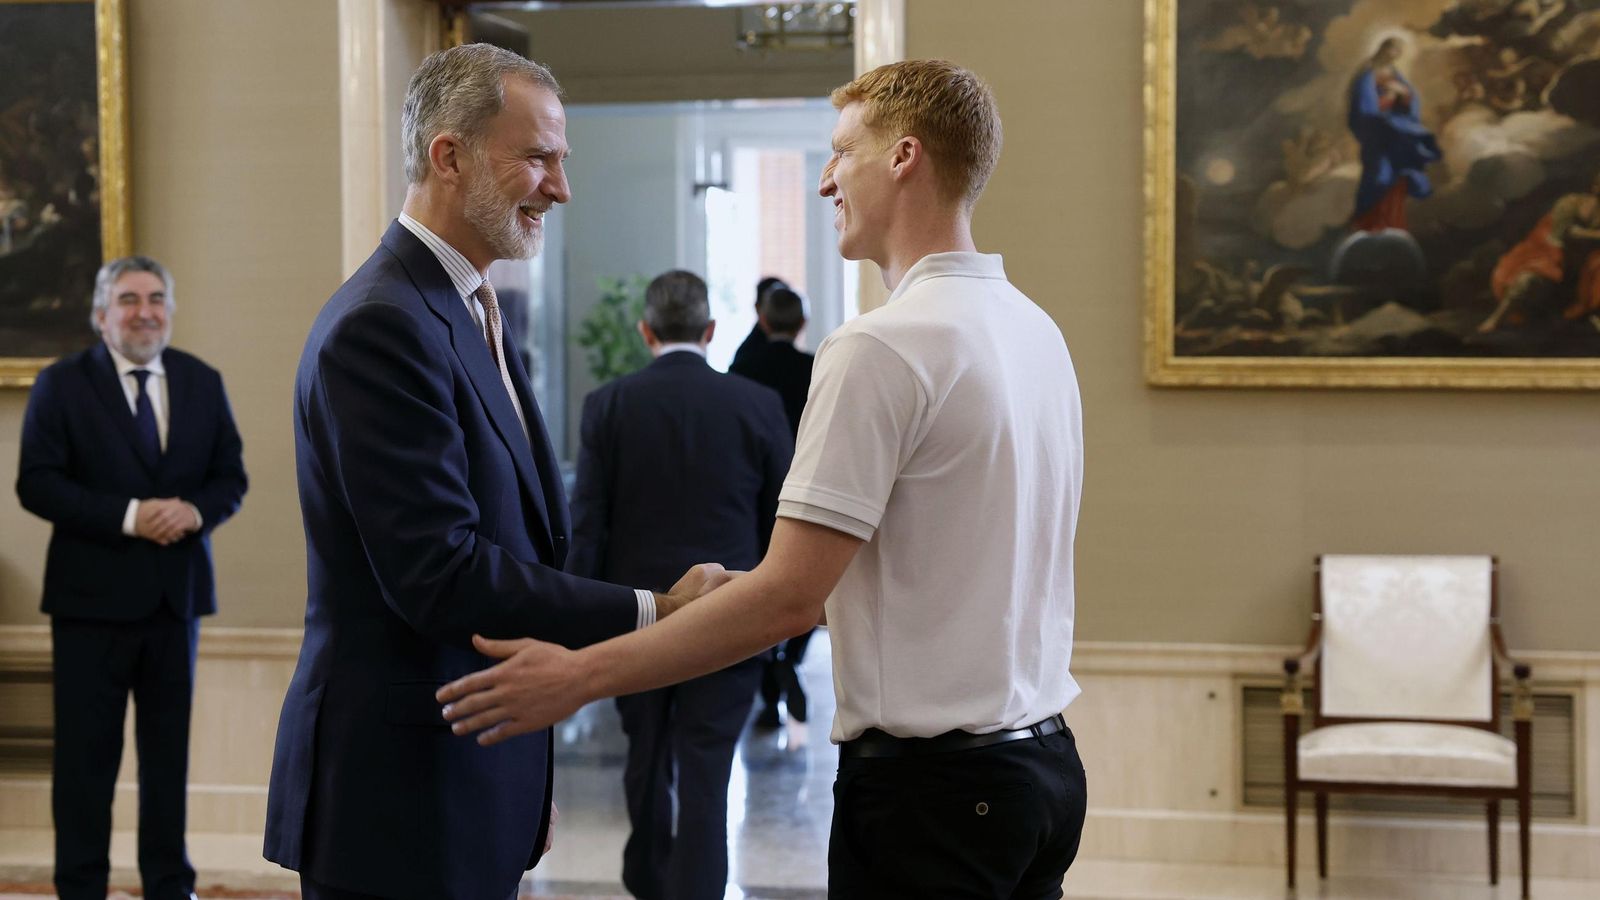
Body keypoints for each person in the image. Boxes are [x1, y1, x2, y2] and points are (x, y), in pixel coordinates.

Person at [441, 59, 1088, 897]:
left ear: (904, 158)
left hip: (935, 796)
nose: (826, 180)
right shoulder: (1035, 330)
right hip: (1041, 774)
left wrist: (577, 676)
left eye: (841, 152)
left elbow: (789, 600)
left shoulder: (881, 345)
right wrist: (743, 584)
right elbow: (896, 569)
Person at [262, 44, 727, 900]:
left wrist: (525, 778)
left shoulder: (463, 304)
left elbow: (523, 539)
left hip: (467, 771)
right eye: (538, 157)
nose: (561, 187)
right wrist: (653, 610)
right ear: (449, 156)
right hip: (399, 792)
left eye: (562, 160)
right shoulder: (383, 325)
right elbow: (440, 573)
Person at [16, 255, 248, 900]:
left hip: (177, 604)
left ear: (169, 311)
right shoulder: (61, 384)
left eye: (155, 299)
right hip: (88, 605)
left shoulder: (202, 381)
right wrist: (129, 516)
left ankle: (170, 886)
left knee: (166, 762)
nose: (144, 311)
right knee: (86, 765)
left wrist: (195, 510)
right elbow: (35, 482)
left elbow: (231, 477)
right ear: (100, 315)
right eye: (128, 299)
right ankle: (81, 887)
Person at [568, 269, 792, 900]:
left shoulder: (607, 405)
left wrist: (578, 623)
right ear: (711, 330)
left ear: (646, 332)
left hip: (636, 617)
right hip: (731, 616)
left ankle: (645, 878)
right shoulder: (756, 406)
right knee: (706, 768)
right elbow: (782, 519)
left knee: (644, 753)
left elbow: (589, 526)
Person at [728, 286, 816, 728]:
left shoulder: (743, 368)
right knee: (804, 579)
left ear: (762, 321)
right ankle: (790, 659)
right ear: (801, 325)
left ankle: (768, 672)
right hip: (804, 486)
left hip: (752, 488)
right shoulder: (815, 367)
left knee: (762, 577)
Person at [1480, 172, 1600, 332]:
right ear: (1595, 187)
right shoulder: (1571, 202)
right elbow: (1562, 232)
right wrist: (1595, 235)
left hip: (1584, 262)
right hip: (1551, 252)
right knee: (1529, 279)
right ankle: (1496, 319)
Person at [1348, 37, 1441, 232]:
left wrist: (1404, 96)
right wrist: (1388, 101)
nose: (1395, 54)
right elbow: (1364, 108)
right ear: (1383, 48)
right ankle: (1369, 224)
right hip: (1378, 136)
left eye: (1399, 51)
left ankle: (1394, 225)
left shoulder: (1394, 73)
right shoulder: (1368, 72)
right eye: (1393, 49)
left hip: (1396, 133)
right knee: (1379, 176)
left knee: (1399, 177)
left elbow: (1410, 101)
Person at [729, 274, 789, 371]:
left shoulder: (746, 355)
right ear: (758, 308)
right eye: (774, 306)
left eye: (785, 306)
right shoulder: (747, 356)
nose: (780, 314)